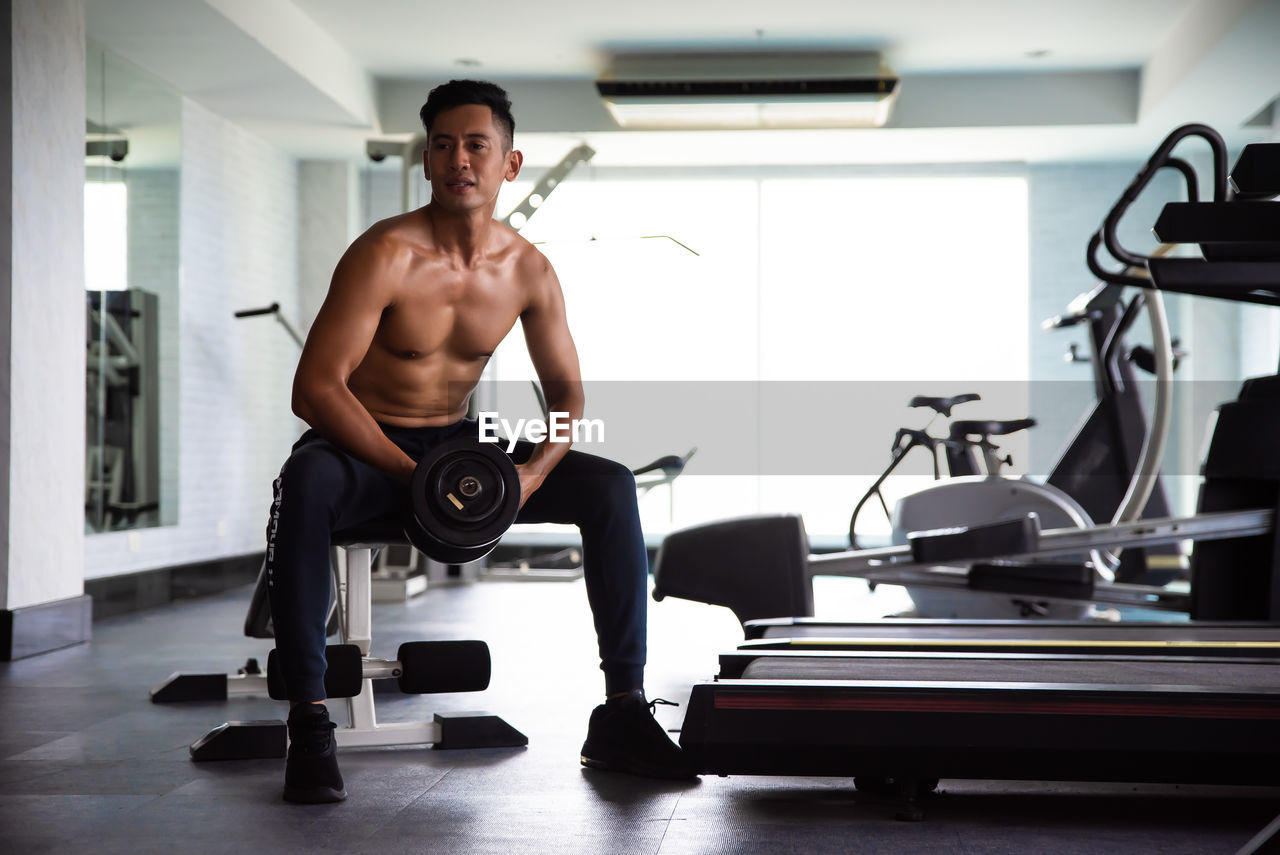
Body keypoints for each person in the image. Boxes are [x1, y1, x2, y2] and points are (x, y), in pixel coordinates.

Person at [264, 79, 694, 804]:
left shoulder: (527, 270)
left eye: (476, 145)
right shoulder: (385, 254)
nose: (459, 158)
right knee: (304, 479)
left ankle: (621, 709)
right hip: (363, 449)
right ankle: (309, 722)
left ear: (509, 163)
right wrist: (408, 473)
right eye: (443, 145)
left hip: (455, 444)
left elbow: (568, 398)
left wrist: (527, 477)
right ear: (427, 163)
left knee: (609, 485)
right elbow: (315, 391)